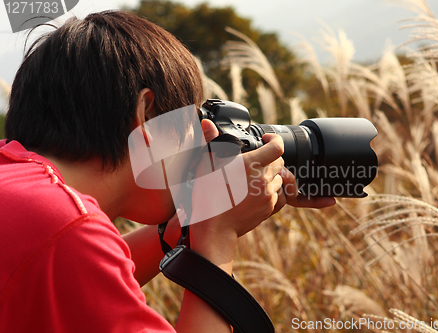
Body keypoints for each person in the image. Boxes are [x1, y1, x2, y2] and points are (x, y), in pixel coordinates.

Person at [0, 10, 336, 333]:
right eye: (191, 117)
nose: (206, 133)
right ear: (145, 114)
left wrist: (186, 225)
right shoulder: (65, 226)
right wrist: (216, 235)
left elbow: (69, 277)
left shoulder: (25, 199)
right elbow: (71, 247)